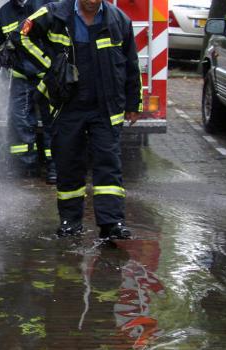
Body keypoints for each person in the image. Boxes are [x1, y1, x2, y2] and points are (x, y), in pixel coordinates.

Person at [18, 0, 141, 239]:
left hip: (105, 108)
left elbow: (131, 64)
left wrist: (133, 103)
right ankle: (70, 222)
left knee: (108, 166)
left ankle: (111, 223)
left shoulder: (120, 20)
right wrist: (51, 68)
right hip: (68, 106)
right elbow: (21, 36)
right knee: (68, 164)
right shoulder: (54, 13)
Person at [0, 0, 57, 184]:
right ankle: (27, 168)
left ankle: (54, 168)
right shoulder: (5, 13)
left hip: (49, 75)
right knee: (20, 122)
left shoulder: (46, 5)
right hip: (22, 76)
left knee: (53, 122)